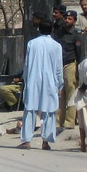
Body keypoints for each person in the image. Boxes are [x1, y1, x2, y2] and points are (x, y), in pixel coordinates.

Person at [17, 19, 64, 150]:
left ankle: (27, 141)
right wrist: (60, 84)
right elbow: (59, 68)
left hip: (33, 79)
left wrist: (25, 79)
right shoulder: (56, 46)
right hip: (50, 81)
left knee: (30, 109)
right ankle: (46, 141)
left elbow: (26, 64)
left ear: (38, 29)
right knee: (49, 111)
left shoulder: (32, 44)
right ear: (52, 30)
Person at [54, 10, 83, 131]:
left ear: (75, 21)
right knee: (60, 94)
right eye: (66, 18)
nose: (67, 20)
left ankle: (69, 121)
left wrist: (78, 70)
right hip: (60, 65)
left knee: (71, 93)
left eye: (70, 19)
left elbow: (79, 53)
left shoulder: (76, 34)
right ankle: (58, 121)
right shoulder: (59, 33)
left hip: (71, 64)